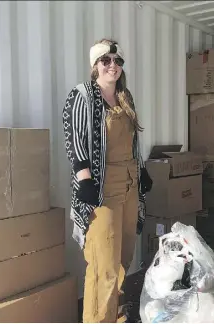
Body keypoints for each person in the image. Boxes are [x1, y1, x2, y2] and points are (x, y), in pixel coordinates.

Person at [62, 38, 151, 323]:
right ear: (95, 65)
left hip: (129, 184)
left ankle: (112, 315)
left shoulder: (126, 97)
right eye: (106, 60)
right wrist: (84, 178)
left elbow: (133, 141)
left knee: (123, 257)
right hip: (102, 190)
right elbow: (74, 139)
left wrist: (142, 170)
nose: (113, 65)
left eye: (118, 61)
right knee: (104, 265)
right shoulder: (84, 95)